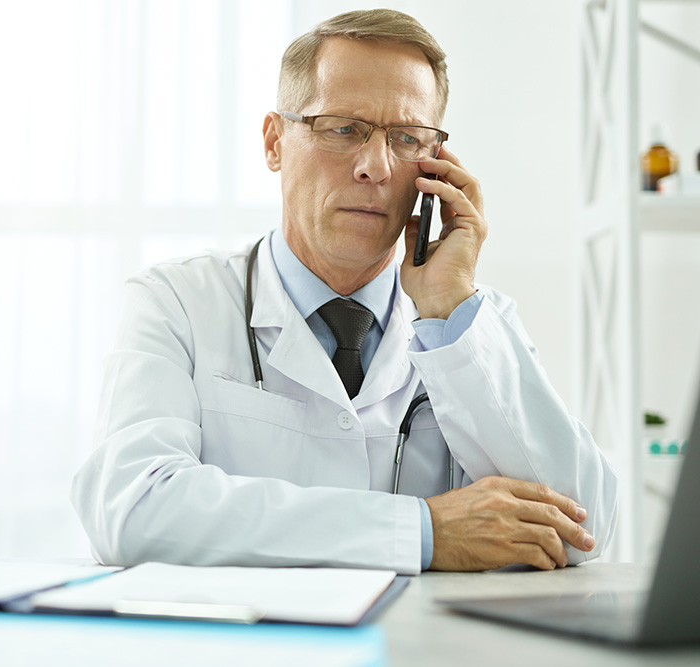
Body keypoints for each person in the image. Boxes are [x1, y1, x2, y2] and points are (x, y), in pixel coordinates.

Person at [70, 9, 618, 574]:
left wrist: (449, 310)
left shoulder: (474, 324)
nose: (375, 167)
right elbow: (131, 510)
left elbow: (584, 526)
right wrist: (422, 532)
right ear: (275, 142)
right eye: (343, 128)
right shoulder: (178, 302)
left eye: (407, 138)